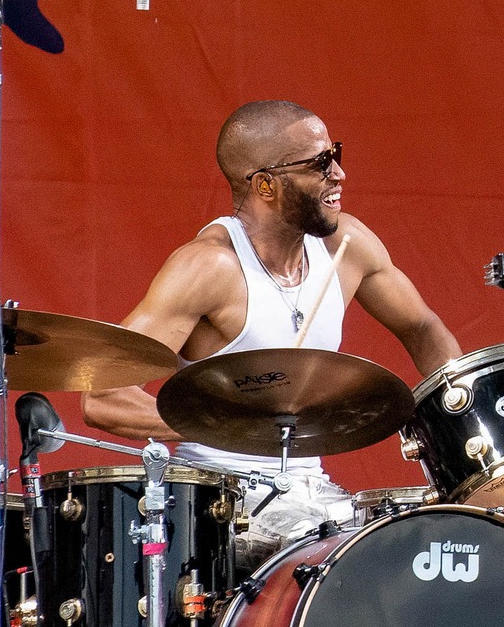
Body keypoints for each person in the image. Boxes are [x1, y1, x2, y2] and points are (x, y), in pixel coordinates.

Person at [84, 100, 461, 564]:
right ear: (265, 184)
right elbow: (103, 397)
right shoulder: (210, 266)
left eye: (336, 153)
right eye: (320, 163)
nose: (339, 174)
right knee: (333, 560)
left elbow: (422, 328)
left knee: (422, 550)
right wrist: (233, 425)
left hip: (311, 492)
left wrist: (459, 419)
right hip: (223, 501)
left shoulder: (348, 246)